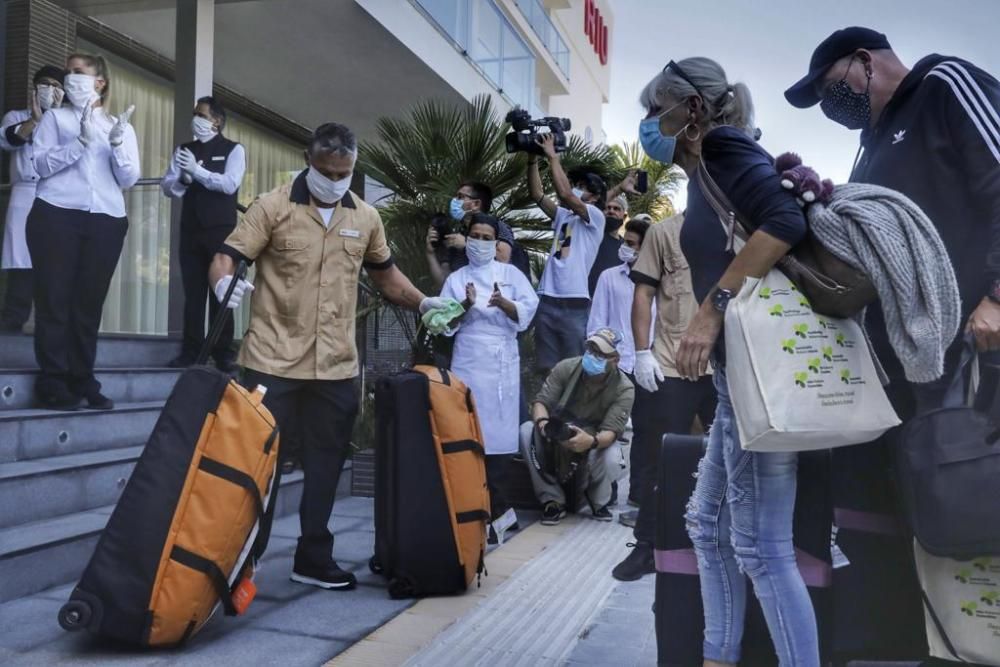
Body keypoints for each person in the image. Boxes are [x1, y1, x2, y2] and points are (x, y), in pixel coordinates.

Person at [785, 27, 1000, 666]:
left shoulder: (942, 85)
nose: (831, 102)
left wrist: (997, 295)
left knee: (980, 497)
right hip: (917, 364)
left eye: (831, 88)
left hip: (978, 349)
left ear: (864, 60)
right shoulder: (869, 145)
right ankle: (950, 643)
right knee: (939, 510)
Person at [210, 122, 445, 591]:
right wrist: (221, 284)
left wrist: (423, 302)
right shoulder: (273, 206)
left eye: (344, 172)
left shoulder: (366, 218)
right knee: (259, 464)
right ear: (307, 159)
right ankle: (239, 560)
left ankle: (313, 558)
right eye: (326, 170)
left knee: (325, 463)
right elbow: (227, 255)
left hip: (335, 365)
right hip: (271, 360)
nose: (335, 180)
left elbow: (386, 276)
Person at [639, 58, 818, 665]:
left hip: (758, 373)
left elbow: (785, 220)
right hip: (738, 375)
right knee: (706, 526)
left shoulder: (724, 148)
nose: (646, 124)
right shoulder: (705, 166)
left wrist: (711, 309)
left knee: (762, 546)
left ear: (689, 110)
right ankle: (718, 656)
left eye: (652, 110)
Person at [610, 211, 718, 582]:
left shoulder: (745, 225)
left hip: (729, 365)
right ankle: (646, 548)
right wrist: (642, 352)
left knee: (736, 460)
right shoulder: (663, 232)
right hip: (673, 363)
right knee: (662, 460)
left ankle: (724, 547)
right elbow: (643, 292)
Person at [28, 53, 139, 411]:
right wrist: (78, 144)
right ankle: (54, 379)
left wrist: (118, 144)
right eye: (68, 72)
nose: (70, 78)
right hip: (57, 212)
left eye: (79, 72)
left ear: (99, 82)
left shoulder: (118, 126)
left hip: (106, 217)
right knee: (55, 297)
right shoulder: (55, 119)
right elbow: (40, 165)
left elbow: (128, 179)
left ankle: (82, 377)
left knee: (88, 303)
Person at [439, 212, 538, 538]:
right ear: (466, 238)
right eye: (475, 236)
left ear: (496, 242)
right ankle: (470, 510)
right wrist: (465, 306)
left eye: (486, 237)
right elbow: (443, 323)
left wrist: (505, 304)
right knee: (468, 435)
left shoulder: (510, 273)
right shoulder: (456, 278)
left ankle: (499, 511)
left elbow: (528, 309)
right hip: (468, 359)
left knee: (499, 438)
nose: (480, 243)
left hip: (501, 363)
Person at [162, 96, 246, 371]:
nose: (196, 119)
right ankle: (191, 350)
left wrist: (197, 172)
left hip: (221, 231)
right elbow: (168, 187)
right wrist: (183, 179)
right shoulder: (185, 149)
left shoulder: (233, 150)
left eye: (202, 114)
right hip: (191, 230)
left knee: (221, 291)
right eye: (195, 113)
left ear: (217, 121)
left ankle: (223, 351)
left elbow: (229, 184)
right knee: (193, 293)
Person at [519, 328, 635, 525]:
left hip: (595, 439)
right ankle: (552, 499)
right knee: (526, 431)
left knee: (613, 456)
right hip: (560, 431)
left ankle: (599, 500)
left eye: (600, 354)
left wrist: (590, 441)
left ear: (615, 359)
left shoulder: (624, 388)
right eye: (590, 350)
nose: (592, 356)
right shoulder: (567, 367)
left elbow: (611, 432)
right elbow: (541, 402)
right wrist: (544, 425)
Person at [528, 135, 607, 375]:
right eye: (577, 185)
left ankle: (571, 413)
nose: (576, 189)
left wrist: (553, 156)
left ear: (594, 197)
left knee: (573, 369)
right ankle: (546, 413)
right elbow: (537, 194)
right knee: (546, 369)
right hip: (547, 299)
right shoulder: (565, 216)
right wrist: (532, 159)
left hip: (574, 303)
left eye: (583, 187)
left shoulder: (595, 216)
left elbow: (565, 194)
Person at [0, 65, 65, 333]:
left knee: (54, 258)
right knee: (20, 257)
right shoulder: (17, 116)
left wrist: (57, 115)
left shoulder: (67, 119)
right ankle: (13, 318)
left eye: (55, 85)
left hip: (56, 193)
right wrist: (37, 119)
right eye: (43, 84)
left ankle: (50, 324)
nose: (48, 89)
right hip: (25, 191)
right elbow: (8, 141)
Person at [425, 181, 515, 287]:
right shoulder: (457, 236)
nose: (454, 201)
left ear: (476, 204)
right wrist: (430, 253)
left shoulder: (498, 227)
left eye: (460, 197)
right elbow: (444, 282)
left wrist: (467, 244)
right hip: (461, 301)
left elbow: (503, 258)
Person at [587, 193, 628, 297]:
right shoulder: (592, 234)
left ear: (624, 216)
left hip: (611, 302)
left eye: (616, 209)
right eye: (607, 208)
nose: (611, 211)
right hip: (587, 300)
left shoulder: (625, 247)